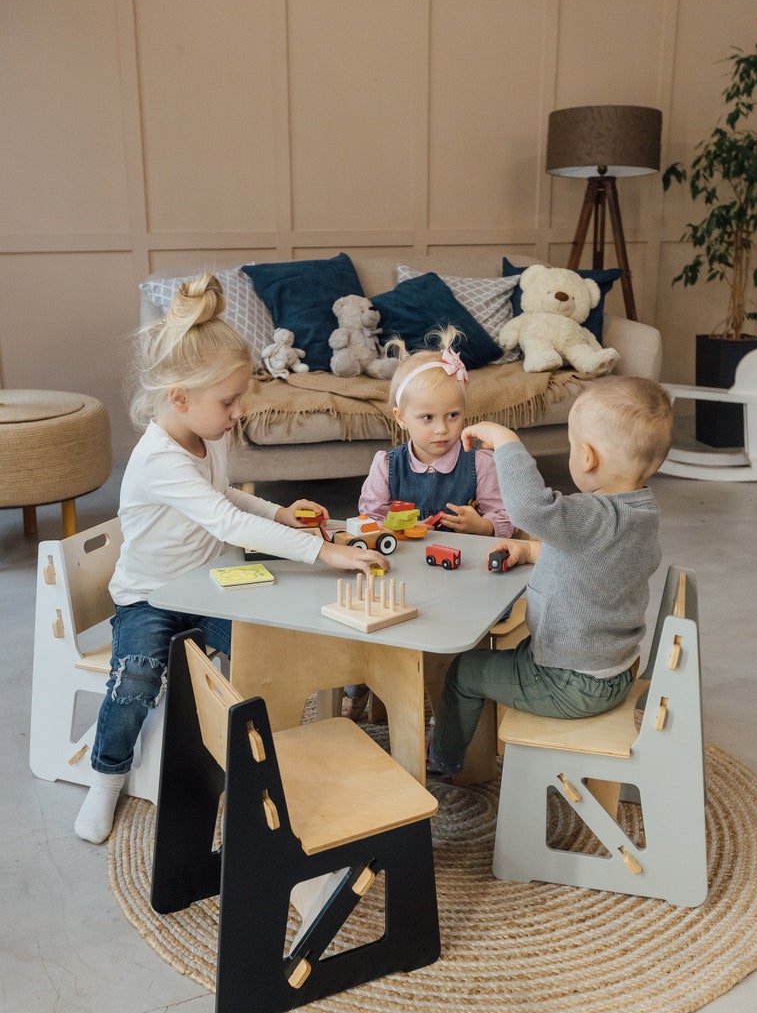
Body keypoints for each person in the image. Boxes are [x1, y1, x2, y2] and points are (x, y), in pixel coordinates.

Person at [75, 274, 389, 844]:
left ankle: (263, 754)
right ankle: (106, 776)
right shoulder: (158, 459)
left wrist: (280, 514)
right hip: (151, 599)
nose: (239, 411)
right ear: (179, 398)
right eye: (228, 401)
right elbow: (225, 521)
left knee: (267, 650)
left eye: (239, 398)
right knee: (137, 679)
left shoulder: (210, 435)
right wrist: (323, 550)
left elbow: (224, 498)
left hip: (208, 588)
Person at [427, 374, 674, 777]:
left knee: (465, 671)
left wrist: (506, 442)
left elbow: (530, 508)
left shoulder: (589, 515)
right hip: (613, 668)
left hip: (570, 681)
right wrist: (528, 550)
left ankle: (443, 760)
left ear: (587, 457)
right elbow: (593, 559)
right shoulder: (640, 511)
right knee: (507, 654)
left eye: (573, 447)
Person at [342, 326, 514, 720]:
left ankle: (449, 695)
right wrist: (385, 530)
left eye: (453, 415)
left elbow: (506, 520)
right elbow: (368, 519)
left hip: (460, 579)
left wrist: (483, 527)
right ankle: (361, 683)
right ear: (401, 418)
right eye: (427, 418)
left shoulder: (480, 463)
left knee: (451, 638)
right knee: (369, 621)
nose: (442, 428)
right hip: (401, 575)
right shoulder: (387, 465)